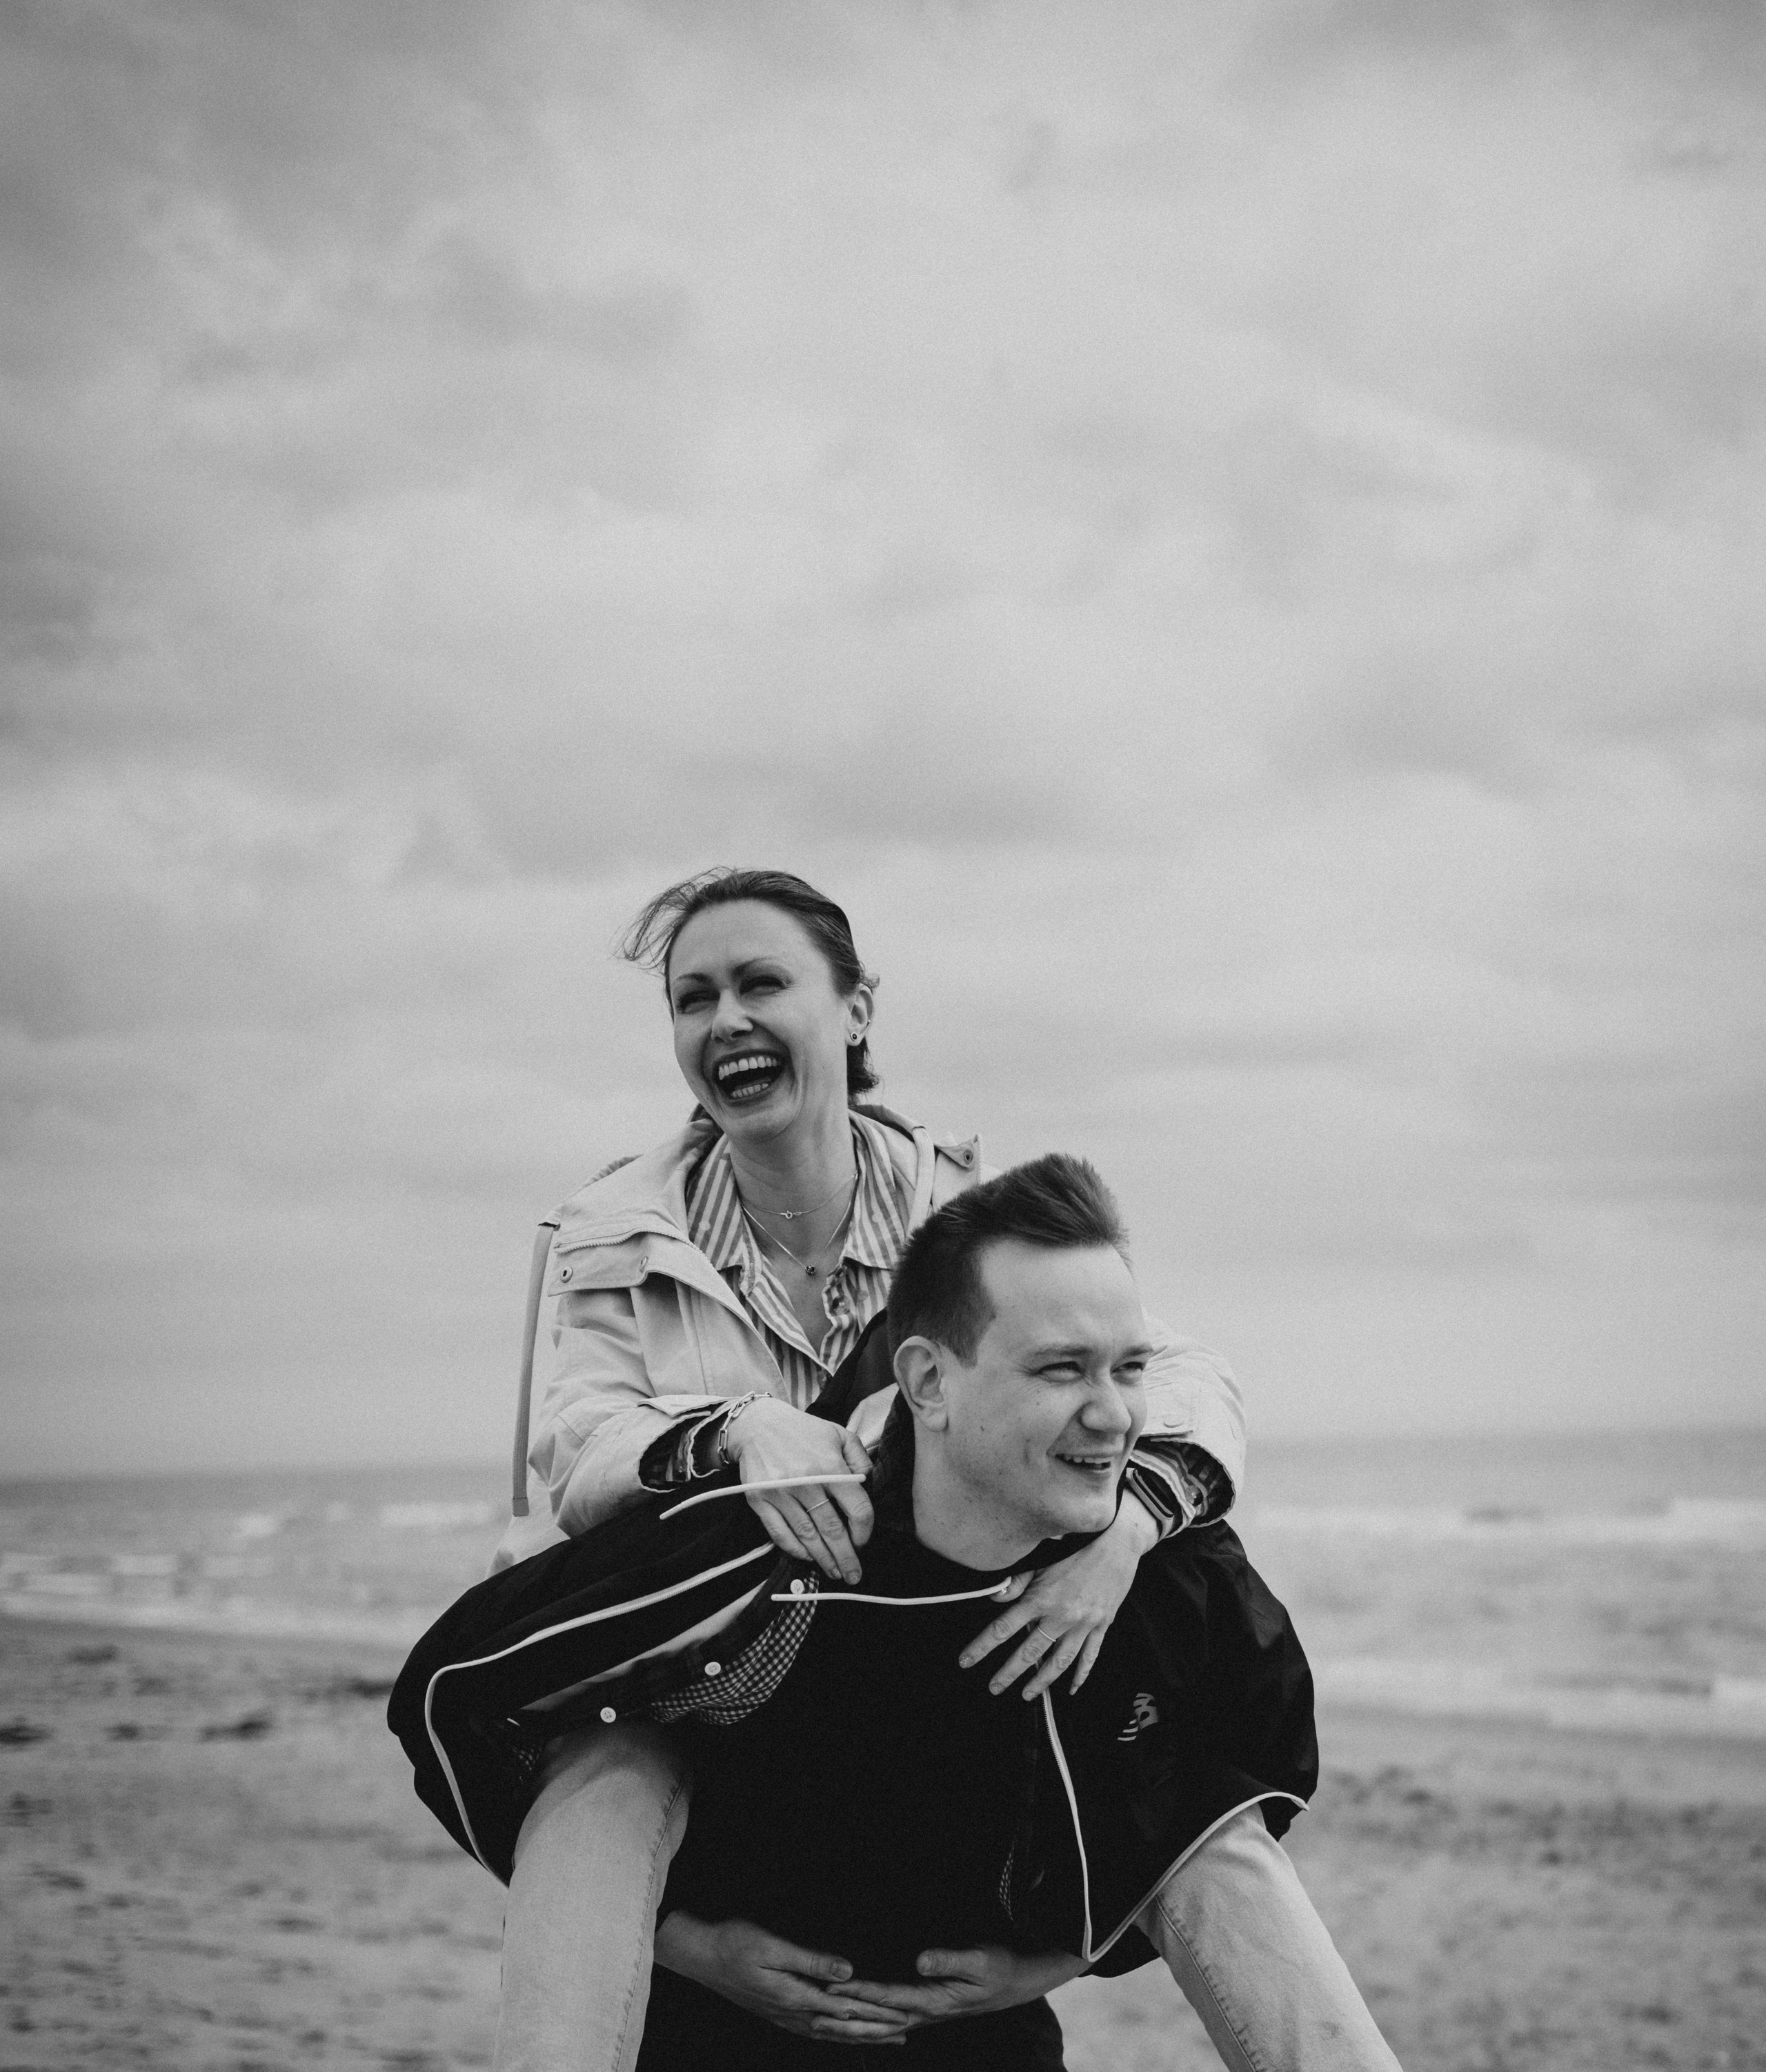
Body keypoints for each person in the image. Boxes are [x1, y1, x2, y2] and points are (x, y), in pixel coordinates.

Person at [391, 1155, 1402, 2070]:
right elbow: (455, 1694)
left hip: (973, 2028)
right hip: (722, 2014)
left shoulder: (1145, 1558)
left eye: (1129, 1369)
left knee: (1217, 1838)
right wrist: (682, 1941)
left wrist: (1066, 1954)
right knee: (609, 1767)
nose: (1114, 1415)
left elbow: (1258, 1751)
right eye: (1062, 1369)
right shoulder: (771, 1543)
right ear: (924, 1381)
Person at [486, 868, 1249, 2071]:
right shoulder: (608, 1239)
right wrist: (738, 1431)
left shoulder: (973, 1212)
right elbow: (576, 1458)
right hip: (725, 1712)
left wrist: (1129, 1530)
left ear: (854, 1010)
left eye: (761, 982)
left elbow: (1169, 1371)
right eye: (693, 1000)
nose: (724, 1019)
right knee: (595, 1792)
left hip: (934, 1716)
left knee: (1212, 1810)